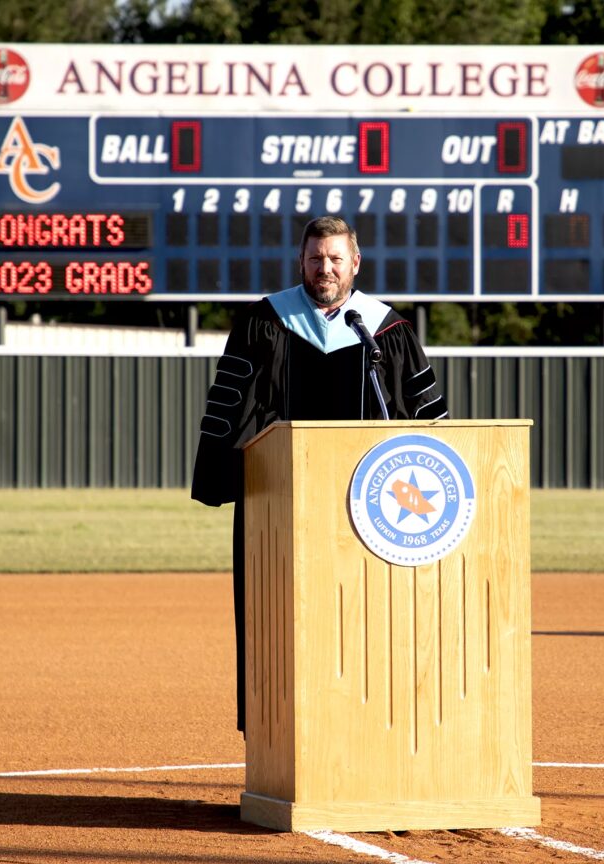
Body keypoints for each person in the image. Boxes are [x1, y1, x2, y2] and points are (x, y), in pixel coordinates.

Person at [191, 215, 448, 733]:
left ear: (355, 262)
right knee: (278, 621)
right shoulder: (264, 322)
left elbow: (427, 422)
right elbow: (230, 407)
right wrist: (223, 473)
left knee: (370, 622)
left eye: (334, 258)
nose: (324, 268)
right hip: (279, 503)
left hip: (371, 510)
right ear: (300, 262)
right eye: (315, 259)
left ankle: (377, 727)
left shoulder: (385, 330)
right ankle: (276, 732)